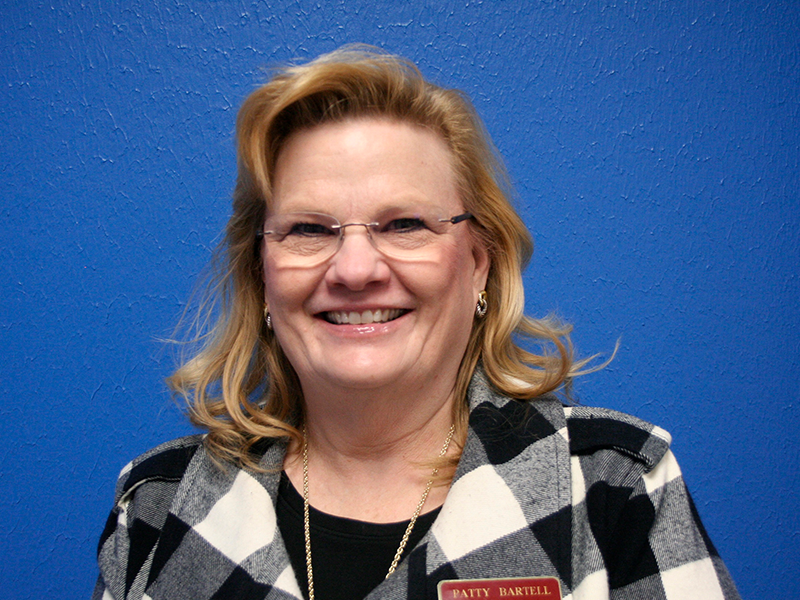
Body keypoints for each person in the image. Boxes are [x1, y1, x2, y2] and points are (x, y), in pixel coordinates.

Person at [93, 46, 740, 600]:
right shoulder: (157, 507)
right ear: (262, 274)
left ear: (478, 265)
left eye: (404, 224)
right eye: (309, 229)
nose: (354, 268)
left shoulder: (614, 490)